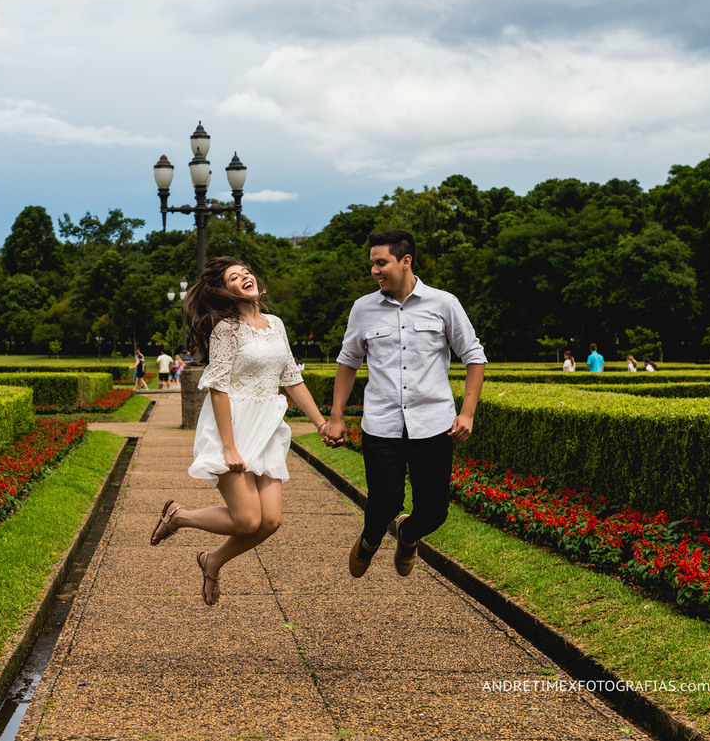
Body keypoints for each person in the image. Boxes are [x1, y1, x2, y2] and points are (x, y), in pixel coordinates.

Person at [149, 256, 329, 606]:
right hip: (234, 427)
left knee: (270, 521)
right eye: (234, 277)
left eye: (245, 272)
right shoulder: (226, 329)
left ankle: (212, 560)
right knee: (247, 521)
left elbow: (291, 378)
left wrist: (321, 423)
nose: (245, 277)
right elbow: (218, 386)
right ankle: (178, 516)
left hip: (267, 427)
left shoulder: (275, 324)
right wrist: (229, 447)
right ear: (226, 291)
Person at [322, 229, 486, 579]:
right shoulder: (363, 309)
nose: (375, 271)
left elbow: (473, 355)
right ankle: (369, 540)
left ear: (406, 261)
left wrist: (467, 413)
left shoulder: (444, 304)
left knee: (435, 512)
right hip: (381, 424)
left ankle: (408, 535)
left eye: (381, 263)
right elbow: (348, 361)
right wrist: (336, 417)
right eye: (372, 264)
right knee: (384, 502)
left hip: (433, 422)